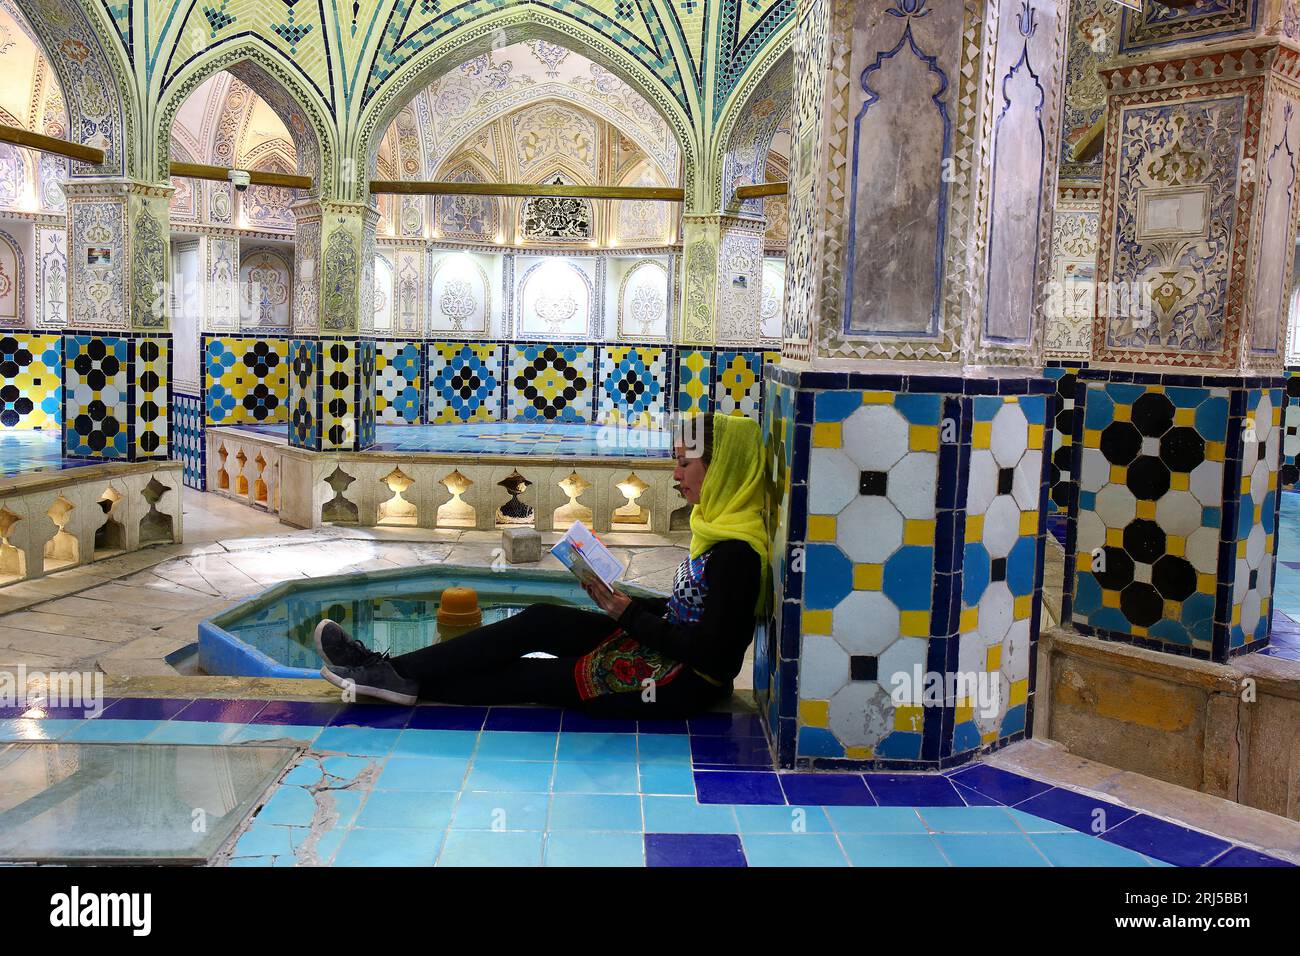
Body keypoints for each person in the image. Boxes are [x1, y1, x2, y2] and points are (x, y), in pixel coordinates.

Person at [314, 413, 769, 719]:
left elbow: (715, 656)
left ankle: (399, 681)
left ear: (723, 469)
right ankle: (392, 672)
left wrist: (626, 614)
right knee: (540, 619)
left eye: (685, 463)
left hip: (679, 682)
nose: (675, 474)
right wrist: (624, 603)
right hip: (663, 649)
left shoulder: (738, 552)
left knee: (531, 678)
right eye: (676, 461)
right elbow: (691, 613)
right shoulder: (716, 527)